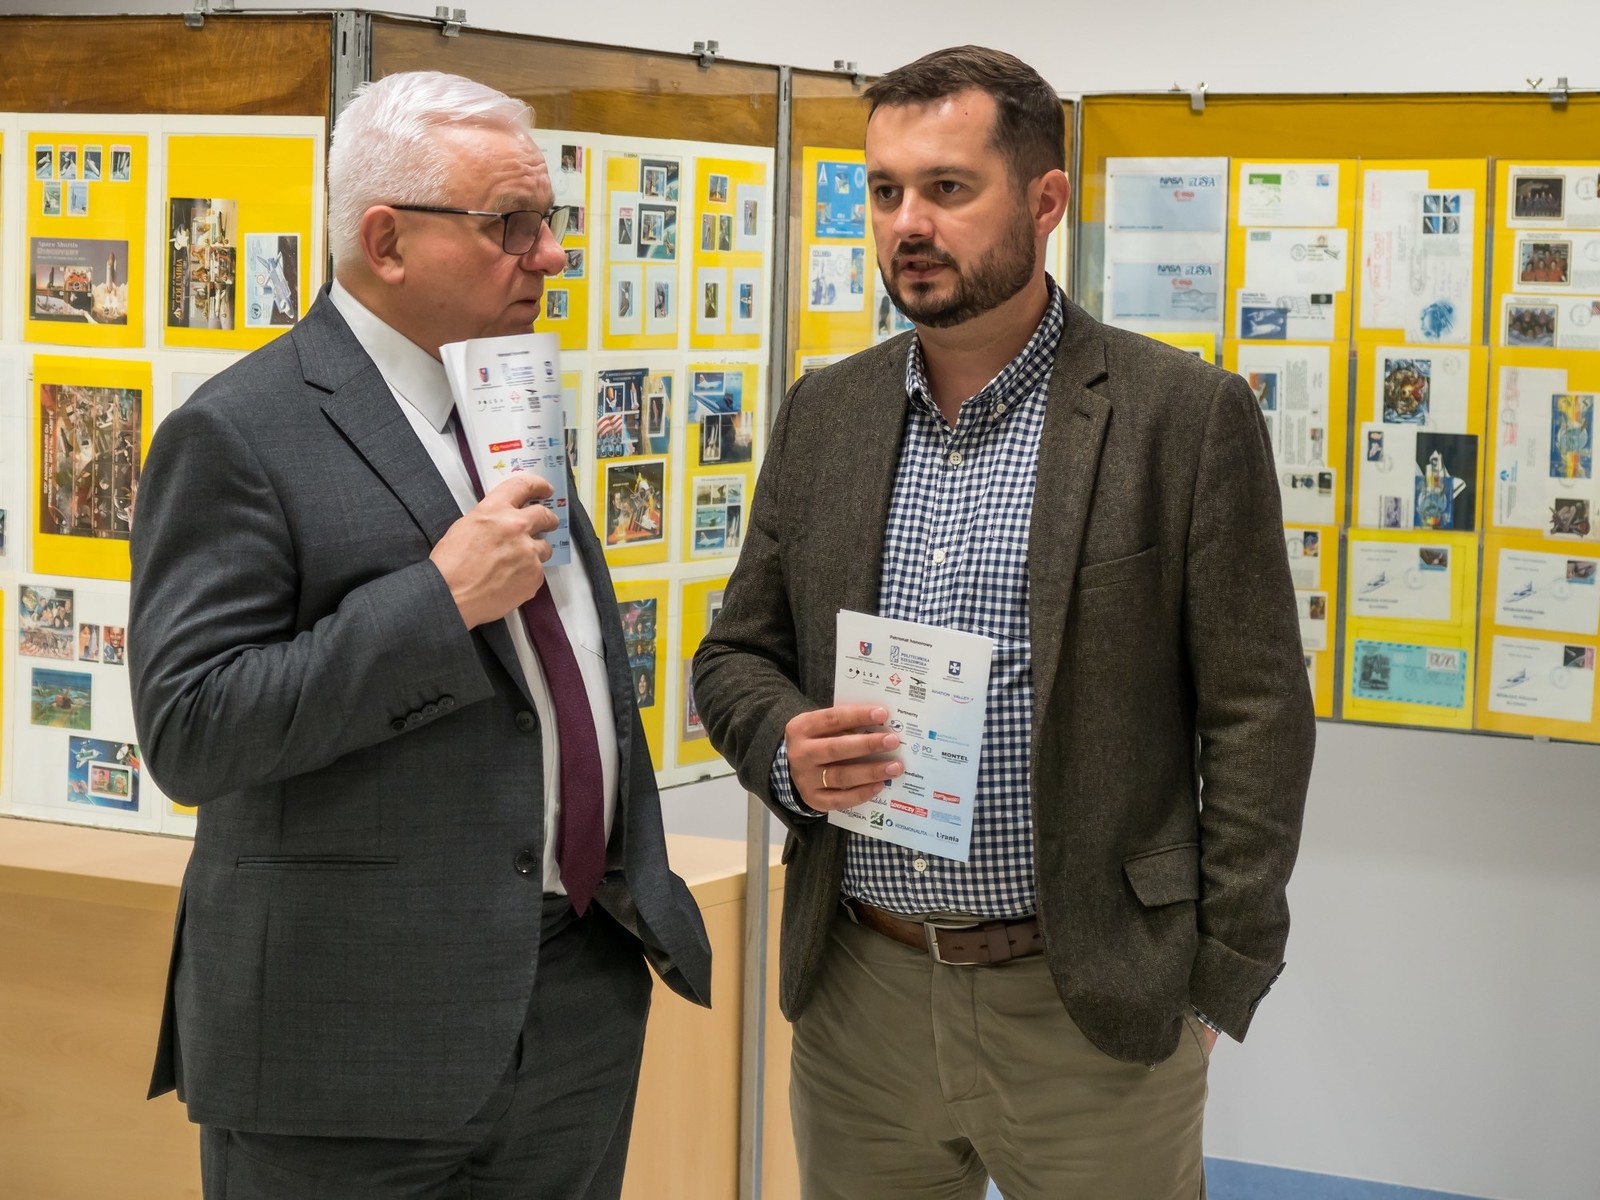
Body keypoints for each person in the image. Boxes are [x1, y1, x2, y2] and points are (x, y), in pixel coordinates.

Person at [693, 45, 1313, 1200]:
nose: (907, 225)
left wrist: (1214, 982)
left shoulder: (1180, 416)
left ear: (1044, 200)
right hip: (861, 995)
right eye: (885, 192)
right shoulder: (826, 414)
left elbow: (1257, 715)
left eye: (946, 188)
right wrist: (784, 748)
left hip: (1088, 1006)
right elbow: (737, 655)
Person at [129, 71, 710, 1200]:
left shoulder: (507, 401)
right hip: (350, 1038)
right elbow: (193, 730)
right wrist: (436, 604)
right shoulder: (238, 432)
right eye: (512, 224)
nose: (551, 256)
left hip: (572, 1002)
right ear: (386, 241)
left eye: (550, 221)